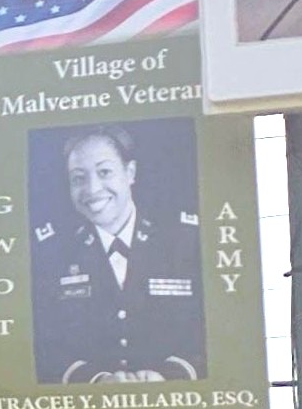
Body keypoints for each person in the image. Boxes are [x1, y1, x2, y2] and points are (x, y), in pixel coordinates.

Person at [31, 124, 206, 384]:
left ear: (130, 172)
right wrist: (94, 380)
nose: (92, 189)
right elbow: (43, 344)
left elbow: (215, 329)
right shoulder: (53, 252)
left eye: (104, 172)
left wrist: (170, 375)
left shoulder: (184, 240)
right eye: (78, 178)